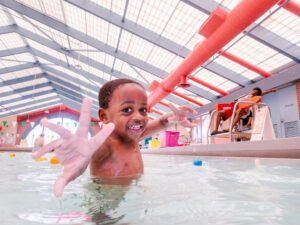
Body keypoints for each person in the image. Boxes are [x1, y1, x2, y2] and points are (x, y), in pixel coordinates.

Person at [32, 78, 198, 197]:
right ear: (104, 116)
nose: (139, 117)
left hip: (131, 194)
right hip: (105, 201)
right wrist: (81, 154)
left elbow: (160, 123)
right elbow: (90, 151)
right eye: (127, 110)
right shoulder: (106, 145)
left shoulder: (132, 138)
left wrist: (172, 119)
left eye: (143, 110)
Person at [211, 87, 276, 135]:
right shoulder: (247, 95)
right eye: (253, 91)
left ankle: (230, 128)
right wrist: (234, 102)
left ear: (257, 94)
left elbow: (262, 93)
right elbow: (238, 100)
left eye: (255, 93)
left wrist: (271, 91)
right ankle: (215, 130)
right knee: (219, 113)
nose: (253, 93)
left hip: (244, 110)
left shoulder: (254, 98)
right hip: (234, 106)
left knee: (239, 110)